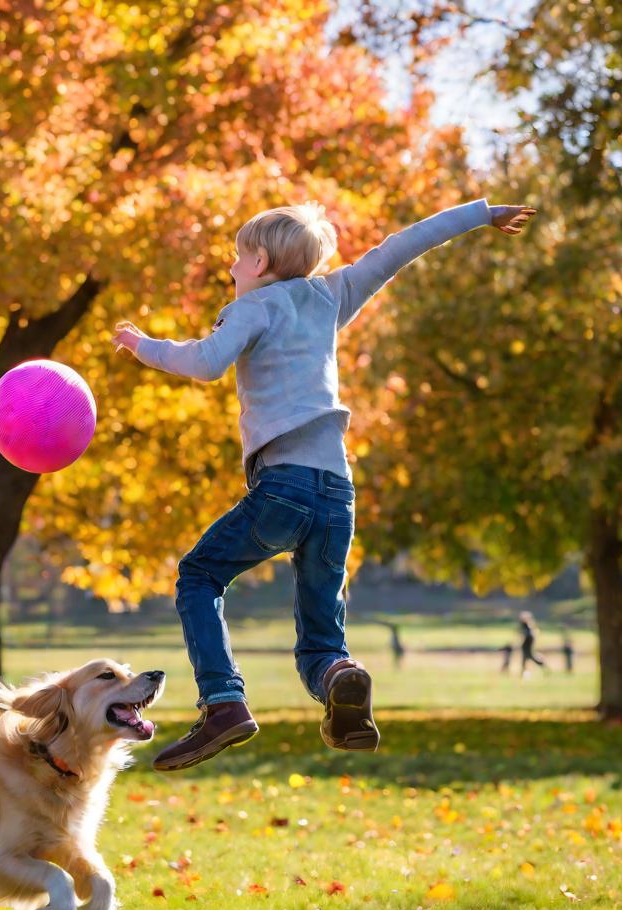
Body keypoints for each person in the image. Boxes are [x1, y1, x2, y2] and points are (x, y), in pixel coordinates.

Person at [112, 198, 537, 771]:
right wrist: (482, 214)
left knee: (199, 575)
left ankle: (223, 703)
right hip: (337, 494)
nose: (232, 269)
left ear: (259, 262)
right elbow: (401, 247)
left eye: (237, 259)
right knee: (321, 642)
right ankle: (342, 676)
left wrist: (145, 346)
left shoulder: (252, 307)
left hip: (281, 489)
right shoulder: (331, 295)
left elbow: (206, 363)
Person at [519, 611, 546, 677]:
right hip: (525, 645)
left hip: (528, 646)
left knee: (532, 658)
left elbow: (531, 635)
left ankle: (543, 665)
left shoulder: (528, 626)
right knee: (525, 659)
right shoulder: (525, 626)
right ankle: (523, 672)